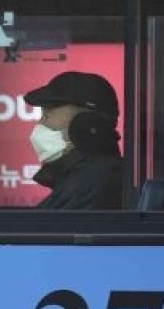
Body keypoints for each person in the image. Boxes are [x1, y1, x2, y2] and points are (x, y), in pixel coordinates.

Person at [23, 71, 122, 210]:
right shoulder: (81, 181)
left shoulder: (88, 186)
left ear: (87, 124)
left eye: (47, 116)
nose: (40, 124)